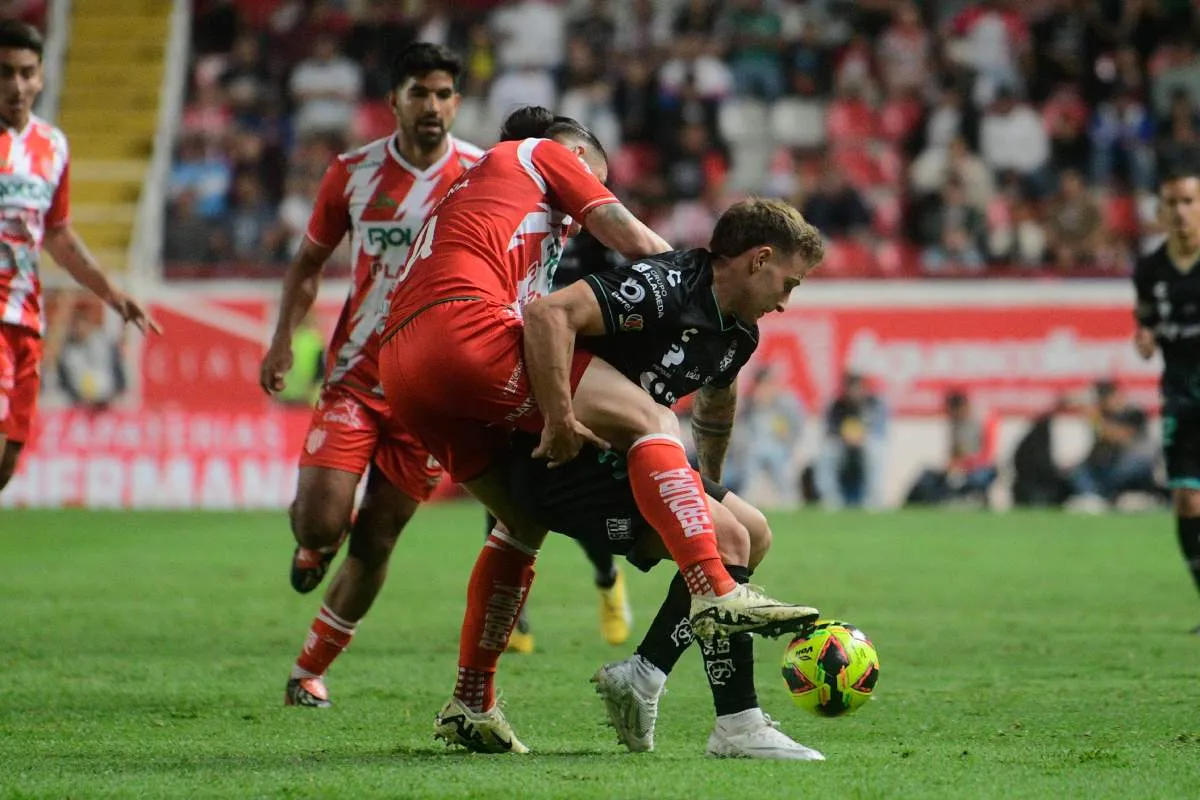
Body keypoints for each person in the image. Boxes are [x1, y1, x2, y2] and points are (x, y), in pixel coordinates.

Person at [379, 106, 820, 740]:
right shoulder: (541, 156)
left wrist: (706, 480)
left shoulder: (489, 202)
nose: (588, 198)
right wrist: (687, 280)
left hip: (405, 365)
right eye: (598, 178)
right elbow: (633, 247)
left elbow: (717, 400)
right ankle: (713, 596)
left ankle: (473, 701)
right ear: (577, 160)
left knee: (520, 526)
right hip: (464, 328)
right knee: (655, 425)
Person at [258, 43, 483, 708]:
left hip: (432, 396)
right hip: (357, 378)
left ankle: (309, 670)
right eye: (419, 92)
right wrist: (281, 343)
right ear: (394, 101)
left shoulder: (478, 175)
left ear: (457, 103)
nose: (432, 106)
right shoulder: (353, 173)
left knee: (380, 534)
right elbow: (307, 264)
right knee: (321, 522)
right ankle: (313, 544)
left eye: (444, 94)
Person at [0, 21, 158, 494]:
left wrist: (110, 292)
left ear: (42, 76)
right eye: (5, 73)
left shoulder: (53, 146)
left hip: (26, 319)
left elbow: (59, 234)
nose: (17, 85)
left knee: (7, 460)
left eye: (27, 73)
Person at [1133, 149, 1200, 634]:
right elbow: (1146, 328)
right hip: (1180, 392)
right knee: (1186, 502)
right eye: (1172, 202)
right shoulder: (1150, 270)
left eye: (1189, 201)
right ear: (1160, 209)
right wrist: (1144, 337)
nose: (1180, 211)